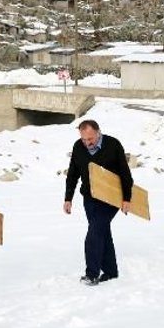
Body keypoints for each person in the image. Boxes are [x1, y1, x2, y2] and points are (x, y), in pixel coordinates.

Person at [64, 120, 132, 286]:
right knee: (102, 232)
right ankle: (110, 271)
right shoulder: (78, 147)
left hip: (111, 198)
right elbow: (72, 174)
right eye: (84, 139)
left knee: (94, 234)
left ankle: (92, 274)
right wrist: (68, 198)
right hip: (89, 198)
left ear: (98, 132)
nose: (87, 143)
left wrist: (126, 199)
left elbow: (125, 174)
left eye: (90, 139)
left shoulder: (113, 144)